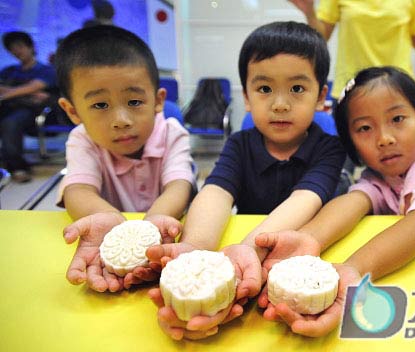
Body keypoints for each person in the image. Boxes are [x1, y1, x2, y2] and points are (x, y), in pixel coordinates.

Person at [253, 66, 415, 337]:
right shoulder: (380, 177)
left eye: (398, 118)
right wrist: (308, 238)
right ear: (351, 143)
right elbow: (353, 201)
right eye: (365, 128)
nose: (385, 138)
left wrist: (353, 269)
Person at [145, 21, 347, 340]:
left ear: (321, 96)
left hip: (291, 267)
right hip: (247, 259)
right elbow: (215, 193)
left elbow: (304, 200)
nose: (280, 103)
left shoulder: (329, 148)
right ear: (248, 97)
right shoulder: (240, 143)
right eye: (265, 89)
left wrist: (249, 249)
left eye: (297, 88)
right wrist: (197, 247)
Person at [54, 25, 196, 293]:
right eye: (100, 105)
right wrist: (113, 224)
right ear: (72, 111)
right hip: (113, 237)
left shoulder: (171, 133)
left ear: (157, 100)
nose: (121, 121)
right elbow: (78, 190)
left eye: (133, 102)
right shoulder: (81, 139)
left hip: (166, 238)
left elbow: (179, 186)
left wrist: (150, 228)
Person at [289, 0, 415, 101]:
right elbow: (321, 36)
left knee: (392, 170)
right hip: (350, 86)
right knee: (342, 165)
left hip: (395, 87)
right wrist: (310, 12)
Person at [0, 31, 56, 182]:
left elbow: (36, 86)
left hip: (32, 112)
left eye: (20, 46)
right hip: (6, 108)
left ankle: (18, 167)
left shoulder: (46, 70)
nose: (17, 51)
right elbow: (30, 89)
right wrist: (26, 92)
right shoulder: (9, 71)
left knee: (11, 123)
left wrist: (9, 93)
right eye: (12, 48)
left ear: (31, 47)